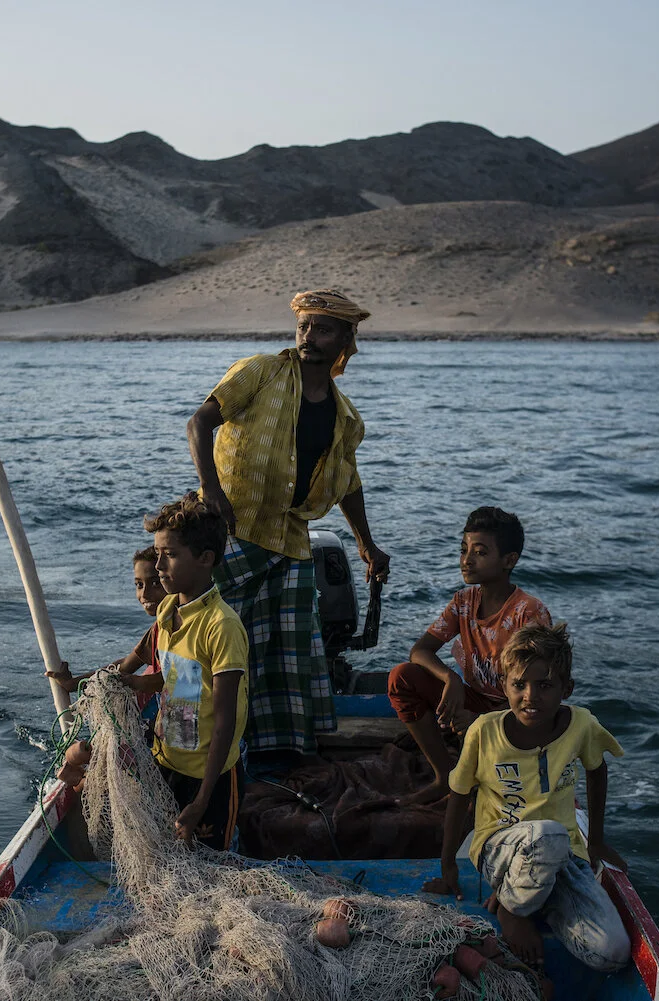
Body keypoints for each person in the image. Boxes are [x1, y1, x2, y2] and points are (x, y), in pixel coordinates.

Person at [186, 288, 390, 763]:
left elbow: (348, 482)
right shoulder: (259, 372)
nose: (308, 337)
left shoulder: (345, 417)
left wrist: (366, 543)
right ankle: (192, 746)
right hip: (231, 533)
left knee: (286, 660)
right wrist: (211, 489)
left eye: (322, 329)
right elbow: (199, 423)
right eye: (304, 326)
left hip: (291, 544)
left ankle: (277, 756)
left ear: (345, 337)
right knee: (212, 648)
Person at [428, 623, 631, 975]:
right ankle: (512, 909)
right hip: (499, 850)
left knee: (611, 952)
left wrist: (595, 842)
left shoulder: (582, 724)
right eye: (518, 685)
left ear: (567, 688)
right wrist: (448, 865)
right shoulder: (484, 731)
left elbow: (597, 771)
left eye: (545, 686)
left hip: (562, 854)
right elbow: (460, 794)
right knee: (547, 836)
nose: (530, 696)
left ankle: (535, 900)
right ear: (503, 685)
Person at [388, 507, 550, 804]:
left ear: (508, 560)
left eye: (480, 552)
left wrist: (480, 720)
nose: (466, 560)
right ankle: (445, 776)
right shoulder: (464, 601)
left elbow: (536, 692)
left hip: (516, 712)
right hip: (475, 699)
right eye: (464, 550)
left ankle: (478, 772)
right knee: (402, 678)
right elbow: (420, 651)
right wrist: (449, 677)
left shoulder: (528, 612)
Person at [141, 493, 250, 849]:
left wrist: (202, 799)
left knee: (209, 862)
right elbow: (179, 679)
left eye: (170, 556)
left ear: (206, 559)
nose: (158, 567)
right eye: (157, 554)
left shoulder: (222, 627)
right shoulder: (167, 609)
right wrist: (126, 681)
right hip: (167, 760)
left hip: (211, 778)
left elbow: (224, 720)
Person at [47, 546, 168, 704]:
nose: (144, 594)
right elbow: (124, 666)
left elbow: (176, 679)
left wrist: (136, 682)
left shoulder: (183, 626)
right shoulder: (158, 630)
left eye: (155, 583)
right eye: (139, 585)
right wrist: (73, 684)